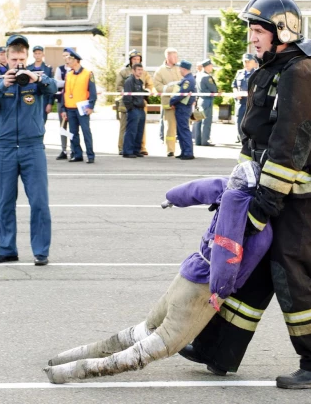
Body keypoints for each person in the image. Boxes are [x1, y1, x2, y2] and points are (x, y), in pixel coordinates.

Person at [179, 0, 311, 389]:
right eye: (252, 30)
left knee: (293, 274)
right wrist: (236, 195)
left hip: (305, 197)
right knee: (253, 269)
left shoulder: (301, 73)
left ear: (283, 31)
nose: (252, 37)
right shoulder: (272, 70)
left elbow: (290, 145)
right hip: (278, 191)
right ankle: (216, 349)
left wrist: (261, 207)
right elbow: (255, 140)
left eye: (259, 30)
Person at [43, 161, 273, 384]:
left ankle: (65, 358)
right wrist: (219, 291)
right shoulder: (252, 221)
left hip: (188, 274)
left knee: (143, 330)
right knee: (158, 345)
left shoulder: (228, 188)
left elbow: (202, 188)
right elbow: (226, 254)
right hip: (203, 291)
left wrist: (172, 197)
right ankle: (72, 371)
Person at [0, 34, 57, 266]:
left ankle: (41, 251)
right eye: (14, 59)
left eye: (21, 59)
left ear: (27, 58)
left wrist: (35, 78)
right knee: (5, 201)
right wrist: (3, 84)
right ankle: (7, 249)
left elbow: (53, 88)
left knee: (39, 202)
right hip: (4, 148)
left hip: (32, 147)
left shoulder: (37, 78)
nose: (18, 64)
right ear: (7, 58)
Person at [61, 48, 96, 163]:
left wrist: (91, 106)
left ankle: (90, 155)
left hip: (82, 108)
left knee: (86, 131)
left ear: (76, 60)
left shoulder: (88, 73)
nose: (68, 61)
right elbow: (64, 92)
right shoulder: (69, 74)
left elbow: (92, 91)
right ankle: (77, 154)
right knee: (73, 133)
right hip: (70, 108)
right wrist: (63, 108)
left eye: (70, 58)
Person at [116, 49, 154, 156]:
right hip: (128, 104)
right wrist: (125, 94)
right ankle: (122, 147)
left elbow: (149, 85)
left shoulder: (144, 73)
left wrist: (148, 92)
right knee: (126, 127)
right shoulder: (124, 72)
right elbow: (118, 86)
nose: (136, 60)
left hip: (140, 104)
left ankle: (140, 148)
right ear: (130, 60)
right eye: (134, 59)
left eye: (138, 59)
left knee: (140, 128)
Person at [152, 48, 181, 157]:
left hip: (181, 102)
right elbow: (158, 87)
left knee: (183, 126)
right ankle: (170, 149)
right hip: (169, 103)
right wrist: (172, 90)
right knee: (170, 127)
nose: (176, 58)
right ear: (168, 57)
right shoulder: (160, 71)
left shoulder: (179, 68)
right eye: (174, 56)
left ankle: (184, 149)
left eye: (176, 56)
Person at [169, 60, 196, 160]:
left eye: (180, 68)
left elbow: (182, 93)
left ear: (184, 69)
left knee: (184, 129)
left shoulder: (188, 80)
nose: (179, 70)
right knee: (181, 130)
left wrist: (172, 101)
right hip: (182, 107)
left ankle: (188, 152)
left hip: (183, 108)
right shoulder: (187, 79)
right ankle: (184, 151)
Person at [122, 63, 148, 158]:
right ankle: (128, 151)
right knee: (131, 131)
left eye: (141, 70)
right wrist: (131, 108)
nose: (140, 72)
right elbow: (127, 97)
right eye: (138, 70)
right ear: (133, 71)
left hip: (141, 109)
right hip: (134, 109)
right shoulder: (129, 81)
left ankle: (136, 150)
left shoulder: (140, 82)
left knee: (139, 131)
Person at [232, 53, 258, 143]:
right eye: (244, 61)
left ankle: (249, 139)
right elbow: (234, 85)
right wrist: (236, 93)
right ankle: (240, 137)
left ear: (253, 62)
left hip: (251, 102)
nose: (246, 63)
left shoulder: (257, 73)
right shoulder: (239, 73)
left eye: (248, 61)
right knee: (239, 120)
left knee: (250, 121)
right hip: (241, 102)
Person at [194, 59, 217, 146]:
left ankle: (198, 141)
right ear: (207, 66)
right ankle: (205, 141)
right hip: (207, 101)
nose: (212, 67)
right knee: (206, 121)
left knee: (198, 121)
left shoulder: (199, 75)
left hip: (199, 100)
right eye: (211, 66)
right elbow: (214, 89)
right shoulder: (207, 77)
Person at [28, 46, 54, 125]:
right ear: (33, 55)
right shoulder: (28, 68)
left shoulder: (48, 69)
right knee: (29, 122)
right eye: (36, 53)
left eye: (39, 53)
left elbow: (51, 86)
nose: (37, 55)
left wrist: (50, 103)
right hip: (30, 97)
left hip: (43, 99)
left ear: (43, 54)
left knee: (42, 123)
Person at [54, 49, 72, 160]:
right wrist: (70, 81)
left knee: (74, 126)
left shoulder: (76, 69)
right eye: (64, 55)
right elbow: (57, 83)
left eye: (67, 55)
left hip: (74, 102)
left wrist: (64, 82)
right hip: (62, 100)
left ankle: (74, 149)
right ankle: (64, 149)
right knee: (63, 126)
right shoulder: (60, 69)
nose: (65, 58)